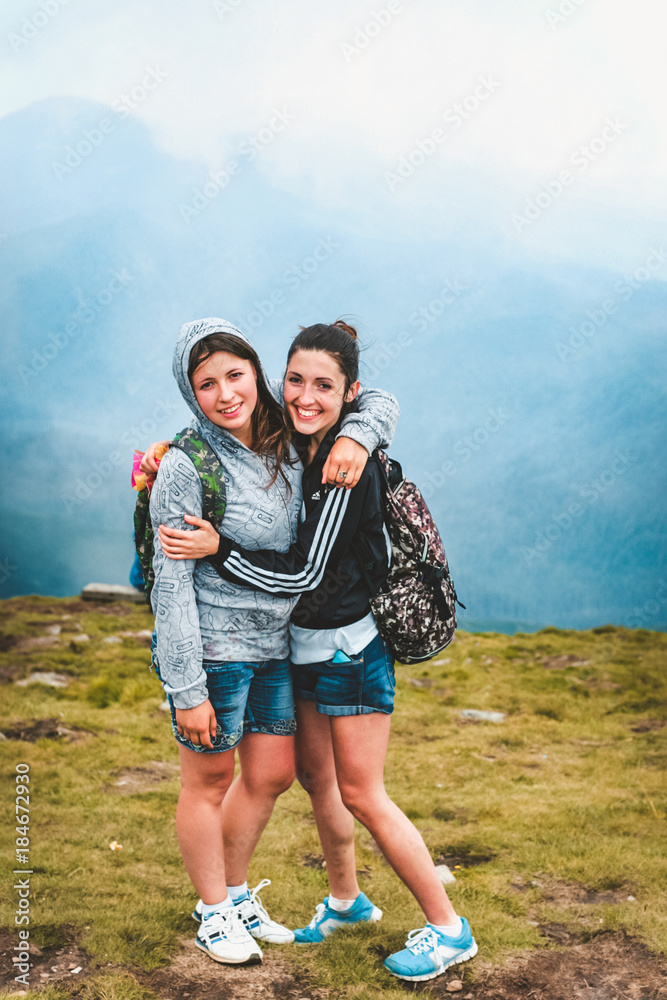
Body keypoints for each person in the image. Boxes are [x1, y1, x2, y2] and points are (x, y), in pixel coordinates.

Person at [158, 320, 477, 983]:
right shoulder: (244, 447)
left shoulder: (325, 455)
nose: (303, 396)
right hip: (267, 648)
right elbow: (169, 584)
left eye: (322, 386)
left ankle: (448, 929)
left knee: (339, 788)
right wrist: (185, 685)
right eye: (294, 381)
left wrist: (360, 433)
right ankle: (312, 903)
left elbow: (304, 572)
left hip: (329, 648)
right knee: (301, 780)